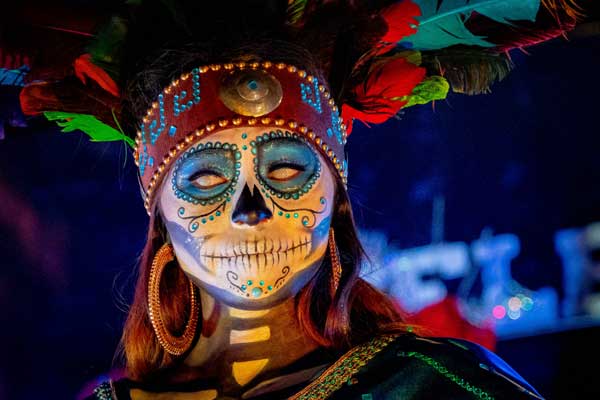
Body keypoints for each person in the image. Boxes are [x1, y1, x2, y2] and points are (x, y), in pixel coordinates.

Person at [8, 0, 591, 398]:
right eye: (206, 178)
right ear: (158, 211)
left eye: (286, 169)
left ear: (336, 197)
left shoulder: (437, 387)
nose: (250, 210)